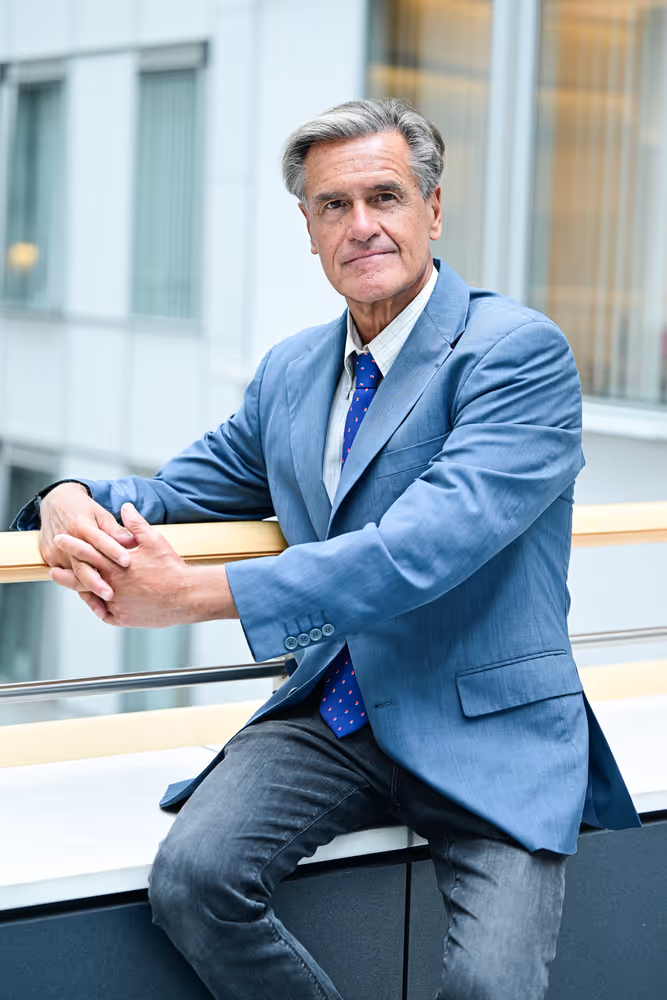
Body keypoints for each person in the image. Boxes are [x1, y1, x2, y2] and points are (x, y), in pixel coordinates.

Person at [15, 99, 639, 1000]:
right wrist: (64, 500)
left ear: (432, 207)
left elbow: (417, 549)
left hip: (485, 716)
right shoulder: (291, 373)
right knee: (194, 882)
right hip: (338, 712)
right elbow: (179, 496)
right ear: (307, 230)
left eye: (383, 196)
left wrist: (194, 597)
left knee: (490, 988)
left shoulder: (517, 354)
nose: (362, 226)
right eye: (332, 207)